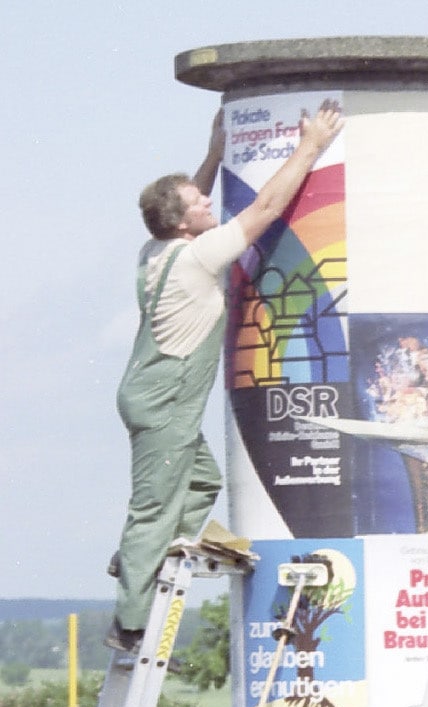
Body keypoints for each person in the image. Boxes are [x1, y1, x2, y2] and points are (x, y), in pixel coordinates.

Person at [108, 100, 344, 653]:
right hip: (165, 401)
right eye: (197, 202)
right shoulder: (197, 257)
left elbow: (186, 196)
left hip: (150, 393)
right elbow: (263, 208)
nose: (206, 199)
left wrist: (215, 152)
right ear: (182, 222)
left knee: (202, 483)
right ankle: (129, 625)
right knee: (155, 507)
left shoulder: (158, 249)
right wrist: (311, 146)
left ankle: (138, 555)